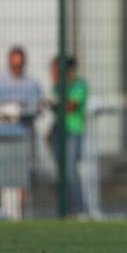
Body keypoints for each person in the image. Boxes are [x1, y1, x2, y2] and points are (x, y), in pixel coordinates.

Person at [0, 46, 42, 221]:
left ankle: (18, 215)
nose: (16, 68)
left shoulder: (31, 84)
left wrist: (21, 109)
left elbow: (37, 107)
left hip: (21, 135)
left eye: (19, 65)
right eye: (13, 65)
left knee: (20, 177)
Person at [48, 55, 87, 216]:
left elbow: (71, 106)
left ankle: (78, 209)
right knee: (62, 172)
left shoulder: (79, 85)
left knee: (70, 171)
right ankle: (66, 208)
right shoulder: (57, 86)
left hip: (73, 131)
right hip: (59, 131)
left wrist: (57, 103)